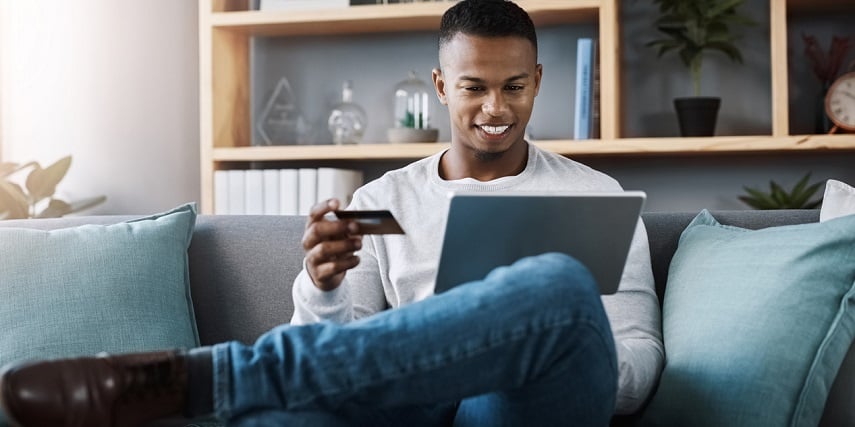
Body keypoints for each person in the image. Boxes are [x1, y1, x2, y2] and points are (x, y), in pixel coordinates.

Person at [0, 1, 663, 426]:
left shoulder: (598, 197)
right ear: (439, 86)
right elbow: (350, 351)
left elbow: (637, 361)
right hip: (414, 406)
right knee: (282, 422)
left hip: (527, 406)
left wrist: (508, 341)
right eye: (473, 88)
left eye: (513, 87)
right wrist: (322, 287)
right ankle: (237, 389)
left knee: (555, 286)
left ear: (537, 81)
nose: (495, 108)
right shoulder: (383, 203)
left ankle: (217, 375)